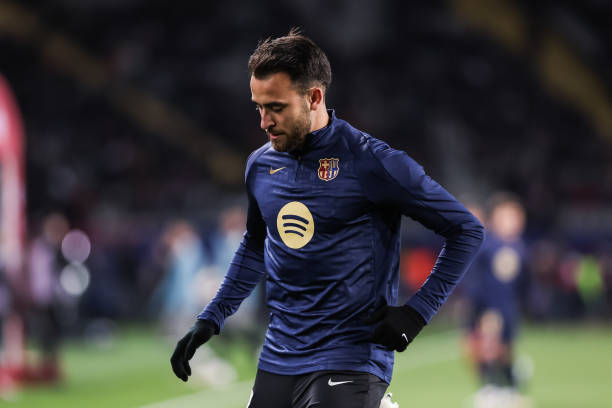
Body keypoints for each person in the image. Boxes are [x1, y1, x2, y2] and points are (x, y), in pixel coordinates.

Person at [171, 28, 484, 408]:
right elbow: (256, 245)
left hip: (350, 357)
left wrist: (417, 313)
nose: (264, 122)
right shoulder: (260, 166)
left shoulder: (371, 161)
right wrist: (212, 317)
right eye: (259, 107)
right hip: (278, 357)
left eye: (276, 107)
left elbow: (466, 230)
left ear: (314, 97)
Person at [461, 194, 528, 406]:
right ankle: (493, 388)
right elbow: (476, 278)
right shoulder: (488, 245)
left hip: (504, 308)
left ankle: (506, 386)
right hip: (484, 306)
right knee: (480, 348)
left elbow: (521, 283)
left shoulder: (517, 247)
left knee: (501, 349)